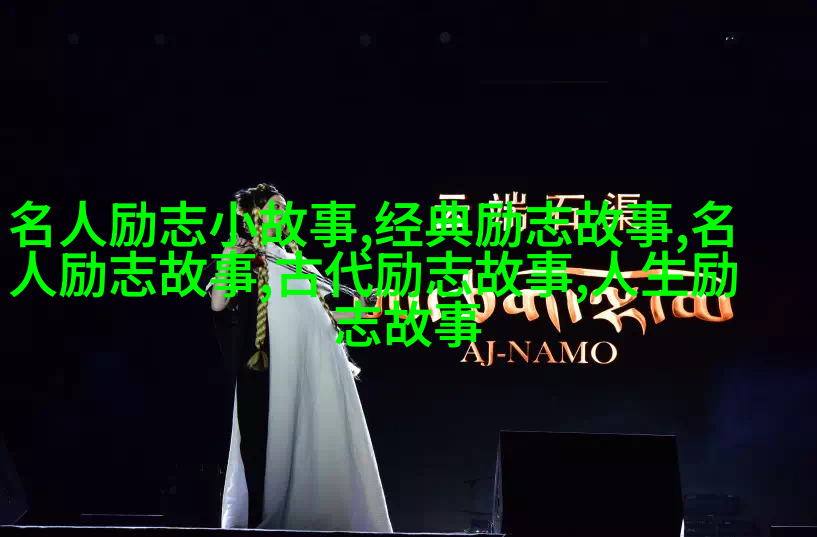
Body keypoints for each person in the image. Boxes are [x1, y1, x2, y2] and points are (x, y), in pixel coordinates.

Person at [207, 182, 392, 532]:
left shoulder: (298, 262)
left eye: (285, 206)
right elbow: (218, 303)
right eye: (275, 206)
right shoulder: (247, 255)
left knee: (322, 433)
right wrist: (231, 256)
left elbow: (325, 314)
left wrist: (366, 309)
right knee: (283, 431)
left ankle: (330, 514)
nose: (284, 212)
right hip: (281, 359)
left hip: (321, 357)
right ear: (254, 214)